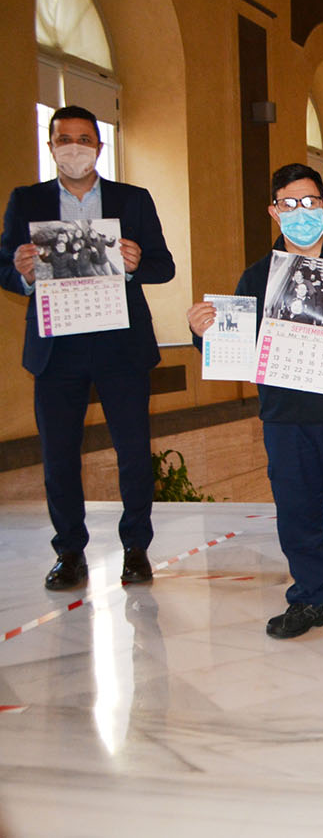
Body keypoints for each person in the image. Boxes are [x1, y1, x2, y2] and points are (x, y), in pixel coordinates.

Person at [186, 163, 323, 641]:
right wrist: (202, 331)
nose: (300, 212)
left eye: (309, 202)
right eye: (289, 203)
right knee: (297, 513)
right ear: (274, 211)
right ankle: (309, 600)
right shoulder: (257, 276)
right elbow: (236, 348)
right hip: (285, 419)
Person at [0, 105, 176, 591]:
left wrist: (138, 263)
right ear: (51, 145)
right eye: (63, 139)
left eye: (83, 139)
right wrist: (21, 271)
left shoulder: (132, 199)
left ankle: (136, 548)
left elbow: (164, 265)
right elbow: (4, 267)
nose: (73, 147)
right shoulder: (26, 200)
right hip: (57, 348)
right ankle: (69, 552)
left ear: (98, 147)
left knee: (134, 452)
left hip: (121, 346)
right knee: (58, 456)